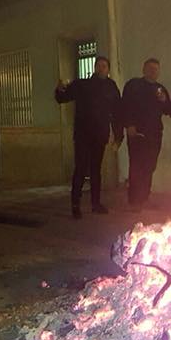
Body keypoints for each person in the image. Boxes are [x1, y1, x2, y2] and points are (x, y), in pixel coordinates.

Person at [54, 56, 122, 219]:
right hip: (83, 134)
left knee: (96, 169)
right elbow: (62, 98)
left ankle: (95, 203)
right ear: (94, 67)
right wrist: (59, 90)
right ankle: (75, 204)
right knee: (80, 168)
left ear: (108, 69)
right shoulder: (82, 84)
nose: (101, 68)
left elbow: (117, 111)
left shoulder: (111, 87)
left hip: (100, 134)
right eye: (99, 65)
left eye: (104, 66)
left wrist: (118, 135)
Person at [121, 58, 171, 211]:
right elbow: (124, 106)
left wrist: (164, 100)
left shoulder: (160, 89)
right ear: (143, 69)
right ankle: (134, 201)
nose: (153, 71)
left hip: (154, 134)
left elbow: (168, 110)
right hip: (137, 132)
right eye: (150, 68)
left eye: (156, 69)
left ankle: (145, 197)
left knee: (150, 166)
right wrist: (129, 125)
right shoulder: (133, 85)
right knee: (136, 167)